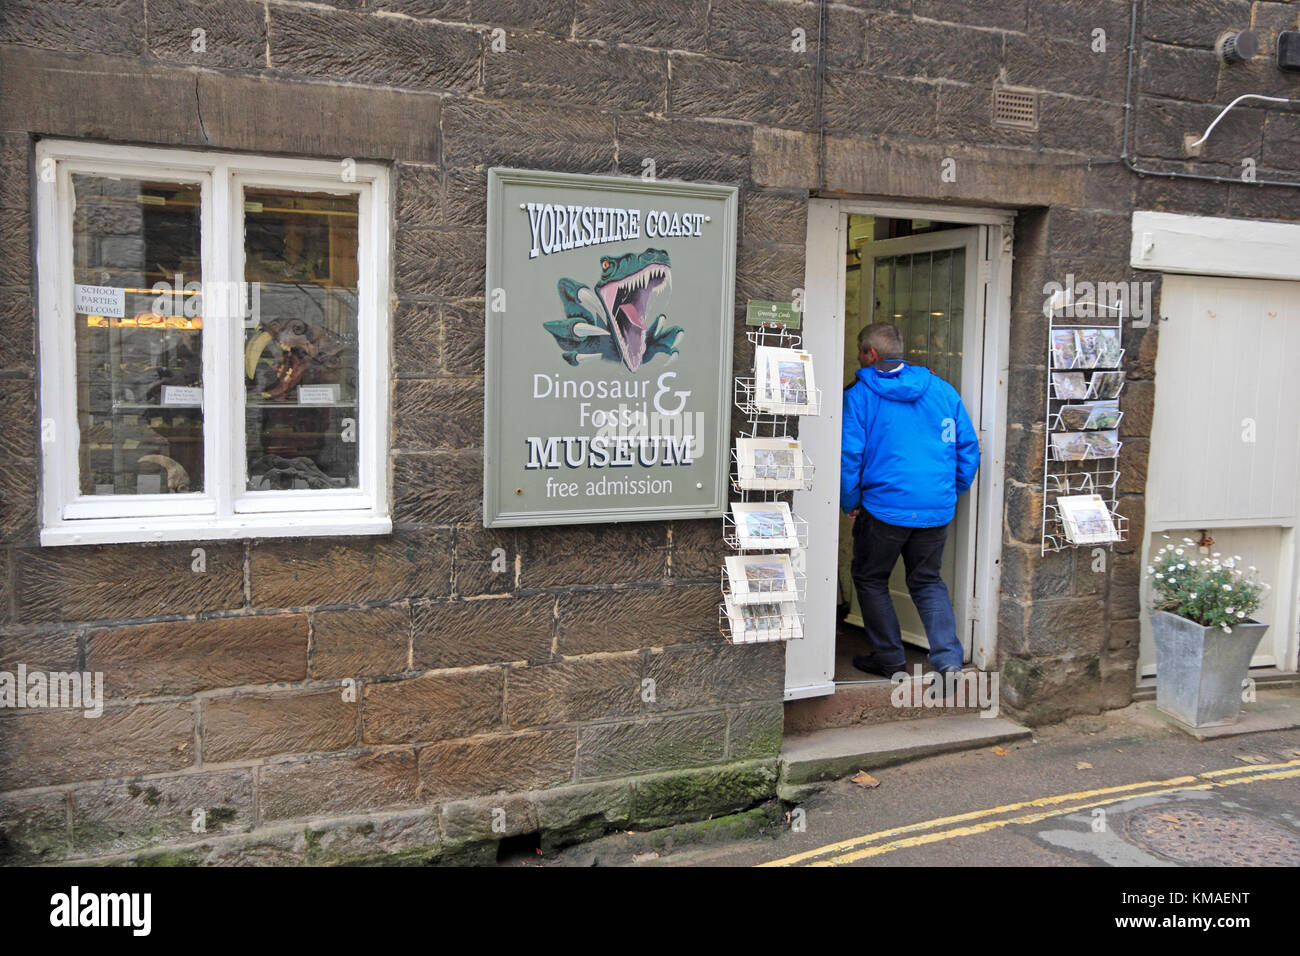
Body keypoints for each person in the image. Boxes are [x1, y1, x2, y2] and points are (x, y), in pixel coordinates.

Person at [841, 323, 979, 682]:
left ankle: (890, 659)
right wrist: (949, 490)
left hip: (884, 507)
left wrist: (850, 501)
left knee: (870, 578)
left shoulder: (859, 395)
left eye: (859, 350)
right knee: (927, 580)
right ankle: (948, 661)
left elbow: (849, 455)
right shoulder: (943, 391)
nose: (859, 357)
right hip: (935, 505)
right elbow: (968, 449)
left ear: (871, 353)